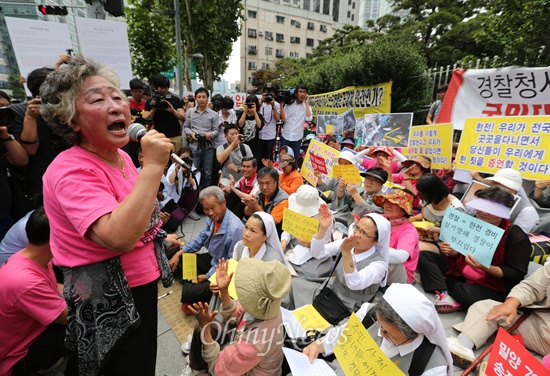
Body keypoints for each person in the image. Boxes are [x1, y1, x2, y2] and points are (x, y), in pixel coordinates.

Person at [40, 56, 174, 375]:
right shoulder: (69, 170)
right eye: (98, 99)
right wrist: (154, 167)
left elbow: (139, 216)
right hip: (105, 299)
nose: (116, 105)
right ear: (72, 120)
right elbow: (118, 236)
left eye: (117, 96)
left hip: (138, 289)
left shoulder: (122, 158)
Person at [417, 186, 531, 313]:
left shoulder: (516, 236)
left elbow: (516, 273)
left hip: (491, 283)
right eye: (481, 207)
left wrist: (484, 266)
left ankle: (444, 284)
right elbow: (460, 250)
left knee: (470, 295)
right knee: (424, 256)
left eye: (491, 210)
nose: (484, 213)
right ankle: (446, 290)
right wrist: (452, 252)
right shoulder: (472, 222)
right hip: (460, 270)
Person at [303, 283, 453, 376]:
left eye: (388, 333)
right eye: (380, 326)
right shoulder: (370, 314)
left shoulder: (432, 366)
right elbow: (345, 331)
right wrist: (319, 344)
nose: (380, 332)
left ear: (414, 334)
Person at [185, 258, 291, 375]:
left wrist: (205, 329)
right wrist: (224, 291)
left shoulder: (256, 342)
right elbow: (235, 314)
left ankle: (198, 368)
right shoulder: (265, 307)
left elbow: (217, 369)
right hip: (243, 342)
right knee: (202, 328)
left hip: (251, 370)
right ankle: (195, 366)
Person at [0, 207, 68, 376]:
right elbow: (68, 317)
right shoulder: (25, 281)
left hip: (26, 335)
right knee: (86, 324)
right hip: (15, 357)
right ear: (54, 240)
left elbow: (54, 288)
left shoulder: (28, 257)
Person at [449, 261, 550, 369]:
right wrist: (512, 302)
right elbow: (532, 286)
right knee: (488, 307)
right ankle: (463, 345)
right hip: (541, 325)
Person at [292, 203, 390, 311]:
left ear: (376, 241)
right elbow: (318, 253)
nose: (357, 234)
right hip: (329, 292)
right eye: (357, 228)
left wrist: (346, 253)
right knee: (294, 285)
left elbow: (354, 283)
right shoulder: (347, 243)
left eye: (364, 233)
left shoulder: (379, 265)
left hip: (347, 308)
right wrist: (323, 230)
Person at [172, 187, 243, 311]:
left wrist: (207, 276)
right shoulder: (213, 218)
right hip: (213, 258)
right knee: (179, 257)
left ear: (223, 203)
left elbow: (231, 262)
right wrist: (180, 252)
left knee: (187, 293)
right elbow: (202, 236)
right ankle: (198, 288)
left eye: (212, 207)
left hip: (222, 270)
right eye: (205, 209)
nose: (209, 212)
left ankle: (199, 289)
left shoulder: (235, 228)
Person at [281, 185, 333, 279]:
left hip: (314, 252)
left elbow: (326, 240)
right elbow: (288, 229)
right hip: (294, 245)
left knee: (312, 273)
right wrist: (284, 241)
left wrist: (311, 244)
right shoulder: (294, 210)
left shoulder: (326, 217)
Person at [372, 188, 419, 284]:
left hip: (400, 274)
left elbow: (401, 257)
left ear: (404, 210)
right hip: (376, 261)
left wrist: (368, 248)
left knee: (392, 261)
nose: (388, 205)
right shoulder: (381, 218)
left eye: (394, 203)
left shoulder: (409, 231)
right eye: (387, 201)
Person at [412, 172, 465, 254]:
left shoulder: (455, 209)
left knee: (413, 248)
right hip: (424, 236)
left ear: (433, 193)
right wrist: (413, 219)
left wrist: (437, 230)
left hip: (443, 244)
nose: (421, 197)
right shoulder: (427, 199)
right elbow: (423, 214)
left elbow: (458, 233)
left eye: (423, 194)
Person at [481, 168, 539, 233]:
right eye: (495, 183)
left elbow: (517, 237)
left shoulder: (527, 211)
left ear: (515, 189)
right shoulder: (484, 198)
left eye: (503, 185)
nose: (498, 188)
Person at [182, 87, 219, 189]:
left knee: (208, 173)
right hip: (193, 146)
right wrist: (191, 133)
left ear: (208, 98)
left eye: (204, 97)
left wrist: (208, 135)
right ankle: (194, 194)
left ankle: (205, 194)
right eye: (199, 97)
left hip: (208, 147)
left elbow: (216, 131)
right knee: (193, 171)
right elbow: (185, 127)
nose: (201, 99)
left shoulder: (214, 114)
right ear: (195, 98)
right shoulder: (190, 112)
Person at [143, 74, 185, 152]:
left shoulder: (175, 99)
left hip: (175, 136)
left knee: (177, 162)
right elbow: (146, 118)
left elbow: (183, 117)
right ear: (156, 88)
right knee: (161, 162)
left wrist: (173, 111)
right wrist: (154, 108)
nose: (163, 90)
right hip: (158, 136)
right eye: (161, 88)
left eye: (166, 87)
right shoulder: (151, 101)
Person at [243, 167, 289, 233]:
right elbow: (247, 213)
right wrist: (250, 206)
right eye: (261, 183)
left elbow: (270, 224)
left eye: (268, 183)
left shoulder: (283, 200)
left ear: (276, 183)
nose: (264, 187)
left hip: (274, 235)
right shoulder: (259, 193)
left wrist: (256, 207)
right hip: (258, 229)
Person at [164, 146, 201, 221]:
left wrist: (188, 173)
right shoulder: (173, 167)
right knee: (180, 218)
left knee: (195, 192)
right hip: (174, 198)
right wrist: (177, 169)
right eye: (182, 158)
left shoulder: (195, 171)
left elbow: (195, 187)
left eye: (187, 158)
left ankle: (190, 210)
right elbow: (168, 183)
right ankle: (181, 210)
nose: (185, 160)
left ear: (192, 159)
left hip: (186, 197)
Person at [216, 123, 253, 190]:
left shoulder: (245, 147)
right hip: (227, 178)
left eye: (236, 134)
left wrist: (238, 170)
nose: (235, 136)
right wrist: (233, 144)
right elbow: (220, 159)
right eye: (232, 134)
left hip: (243, 178)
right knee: (223, 191)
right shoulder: (221, 148)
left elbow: (252, 164)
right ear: (225, 136)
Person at [279, 84, 312, 158]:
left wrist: (307, 103)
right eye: (300, 91)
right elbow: (284, 119)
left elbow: (309, 118)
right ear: (296, 93)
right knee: (283, 158)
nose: (302, 94)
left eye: (304, 92)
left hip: (297, 138)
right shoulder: (289, 105)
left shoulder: (306, 107)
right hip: (286, 136)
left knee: (294, 160)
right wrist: (282, 106)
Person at [237, 94, 264, 165]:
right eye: (248, 103)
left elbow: (259, 126)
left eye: (252, 103)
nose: (250, 105)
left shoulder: (259, 116)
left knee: (253, 163)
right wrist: (245, 112)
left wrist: (255, 112)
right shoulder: (241, 114)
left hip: (255, 145)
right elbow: (240, 125)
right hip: (243, 143)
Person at [258, 85, 281, 162]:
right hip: (260, 134)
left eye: (270, 93)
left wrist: (273, 106)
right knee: (260, 156)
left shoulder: (276, 104)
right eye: (266, 93)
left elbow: (278, 118)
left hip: (270, 135)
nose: (268, 95)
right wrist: (261, 101)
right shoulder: (260, 104)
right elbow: (255, 113)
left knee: (269, 156)